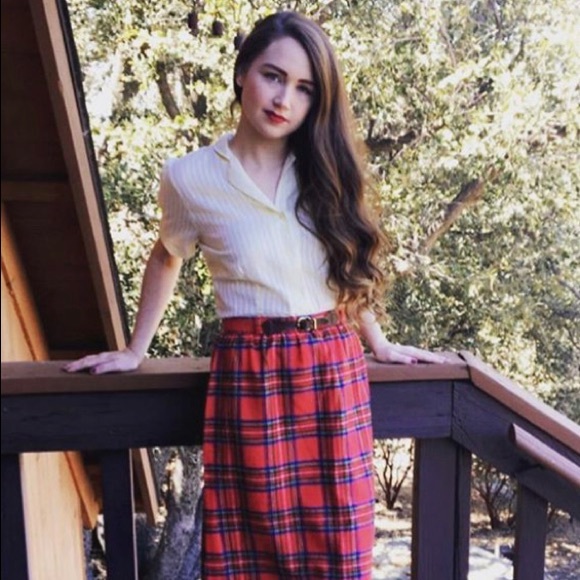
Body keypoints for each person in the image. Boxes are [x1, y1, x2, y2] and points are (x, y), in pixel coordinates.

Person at [64, 11, 446, 579]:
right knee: (253, 553)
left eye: (304, 88)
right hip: (250, 372)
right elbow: (168, 254)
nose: (284, 99)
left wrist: (380, 343)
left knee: (339, 553)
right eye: (273, 76)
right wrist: (134, 349)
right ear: (243, 71)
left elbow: (346, 268)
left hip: (333, 369)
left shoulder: (325, 170)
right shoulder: (190, 177)